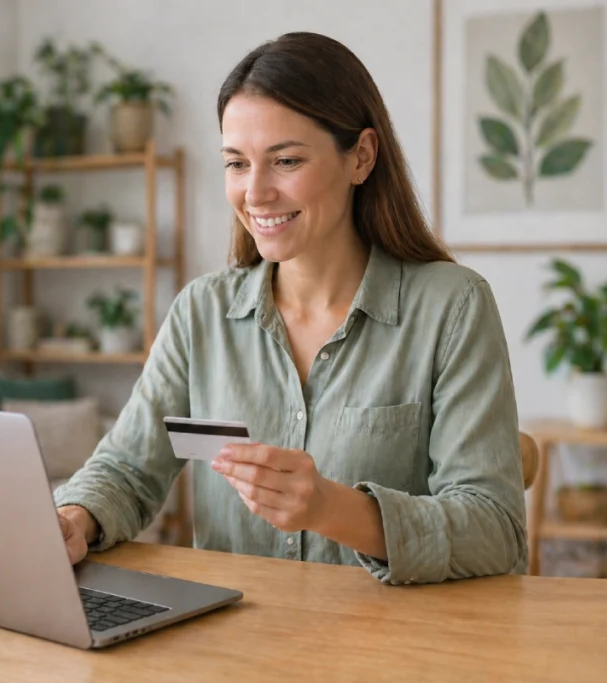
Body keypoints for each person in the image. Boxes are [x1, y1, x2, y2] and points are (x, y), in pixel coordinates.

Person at [53, 31, 527, 585]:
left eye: (285, 160)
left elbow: (496, 529)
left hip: (390, 652)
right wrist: (73, 518)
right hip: (234, 647)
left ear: (362, 158)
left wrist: (332, 509)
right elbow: (128, 469)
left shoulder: (453, 307)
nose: (255, 193)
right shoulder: (200, 314)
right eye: (236, 163)